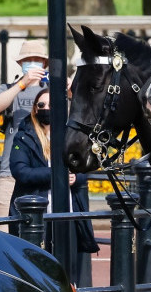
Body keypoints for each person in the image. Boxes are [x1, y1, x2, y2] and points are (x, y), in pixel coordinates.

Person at [8, 90, 99, 259]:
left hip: (68, 212)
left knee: (68, 266)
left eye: (51, 105)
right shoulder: (23, 137)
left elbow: (84, 167)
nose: (46, 109)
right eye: (41, 105)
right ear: (35, 109)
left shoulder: (70, 135)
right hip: (38, 216)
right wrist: (57, 176)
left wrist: (75, 178)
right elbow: (20, 171)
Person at [0, 39, 48, 232]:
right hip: (9, 174)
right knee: (4, 233)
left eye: (37, 60)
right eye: (27, 60)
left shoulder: (50, 93)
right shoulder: (9, 89)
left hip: (41, 175)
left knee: (41, 234)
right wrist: (22, 84)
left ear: (45, 64)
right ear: (20, 64)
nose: (32, 64)